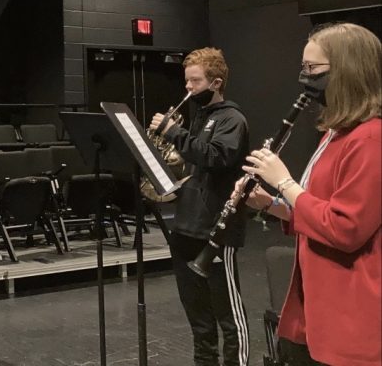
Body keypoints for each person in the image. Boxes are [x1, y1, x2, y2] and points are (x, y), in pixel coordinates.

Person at [239, 22, 381, 366]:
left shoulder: (371, 140)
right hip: (320, 302)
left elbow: (345, 229)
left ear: (346, 71)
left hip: (353, 308)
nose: (304, 77)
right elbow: (319, 212)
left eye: (312, 69)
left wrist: (285, 183)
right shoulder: (336, 134)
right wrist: (271, 204)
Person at [150, 47, 250, 366]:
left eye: (195, 82)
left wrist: (174, 133)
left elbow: (216, 157)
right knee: (199, 318)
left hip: (217, 228)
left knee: (227, 315)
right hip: (186, 225)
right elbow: (191, 163)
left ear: (216, 82)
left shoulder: (232, 119)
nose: (188, 89)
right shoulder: (197, 118)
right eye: (187, 81)